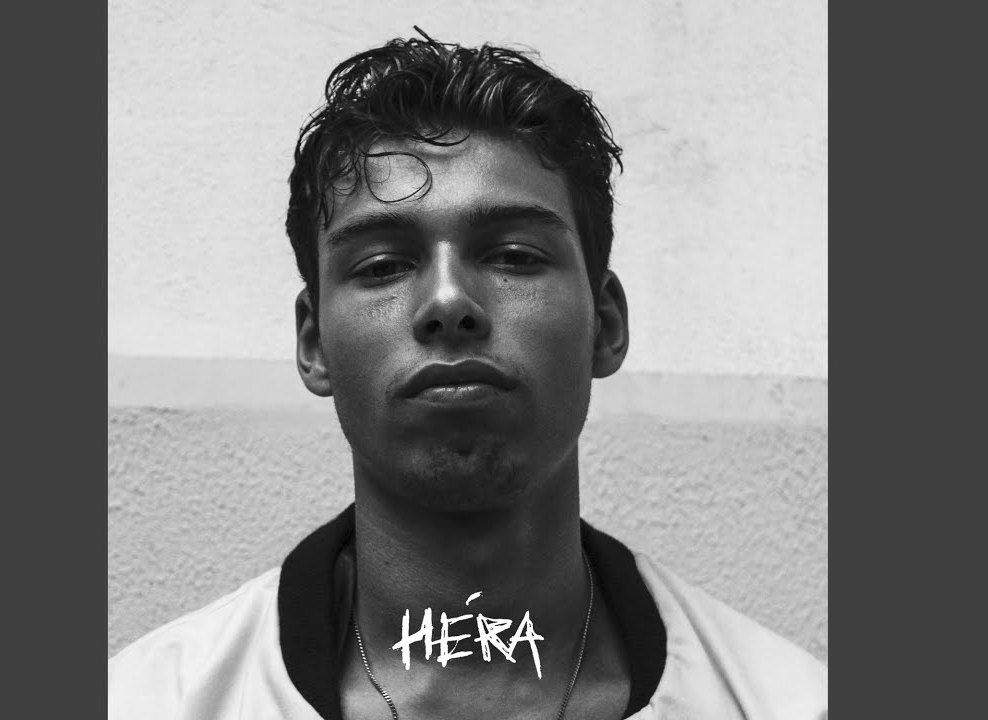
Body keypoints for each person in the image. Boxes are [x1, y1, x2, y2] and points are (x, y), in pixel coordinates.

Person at [109, 31, 827, 720]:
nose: (449, 301)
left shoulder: (793, 705)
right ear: (314, 342)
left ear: (605, 325)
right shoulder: (146, 703)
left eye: (514, 256)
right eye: (382, 266)